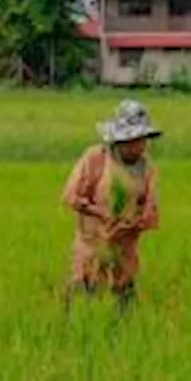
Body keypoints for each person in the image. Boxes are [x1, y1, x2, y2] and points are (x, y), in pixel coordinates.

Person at [61, 99, 162, 314]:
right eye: (133, 140)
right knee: (81, 309)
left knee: (123, 313)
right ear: (120, 139)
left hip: (124, 256)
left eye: (142, 140)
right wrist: (101, 213)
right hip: (91, 251)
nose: (139, 146)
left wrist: (135, 223)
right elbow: (70, 196)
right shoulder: (95, 159)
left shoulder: (148, 169)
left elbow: (152, 213)